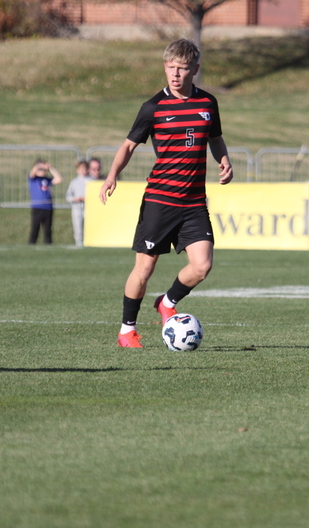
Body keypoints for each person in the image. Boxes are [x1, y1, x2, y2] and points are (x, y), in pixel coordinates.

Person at [99, 38, 233, 348]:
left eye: (182, 68)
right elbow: (129, 145)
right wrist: (111, 175)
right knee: (144, 267)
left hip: (194, 203)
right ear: (165, 67)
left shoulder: (207, 103)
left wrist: (224, 161)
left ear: (195, 70)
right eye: (170, 67)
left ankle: (167, 301)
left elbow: (216, 139)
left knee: (202, 266)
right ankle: (126, 330)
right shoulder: (153, 107)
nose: (175, 74)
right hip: (160, 199)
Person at [28, 159, 62, 244]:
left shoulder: (47, 180)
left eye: (44, 170)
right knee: (35, 228)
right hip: (37, 207)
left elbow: (59, 179)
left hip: (48, 207)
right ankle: (31, 244)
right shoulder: (33, 179)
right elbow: (33, 171)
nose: (43, 171)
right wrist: (41, 166)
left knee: (47, 229)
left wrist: (50, 168)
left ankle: (48, 244)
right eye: (41, 169)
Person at [65, 159, 94, 247]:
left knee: (89, 226)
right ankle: (79, 242)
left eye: (85, 169)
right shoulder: (74, 182)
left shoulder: (92, 181)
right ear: (77, 170)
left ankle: (89, 242)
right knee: (77, 225)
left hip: (89, 208)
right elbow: (68, 196)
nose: (83, 171)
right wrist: (75, 199)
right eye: (81, 169)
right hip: (77, 208)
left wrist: (88, 198)